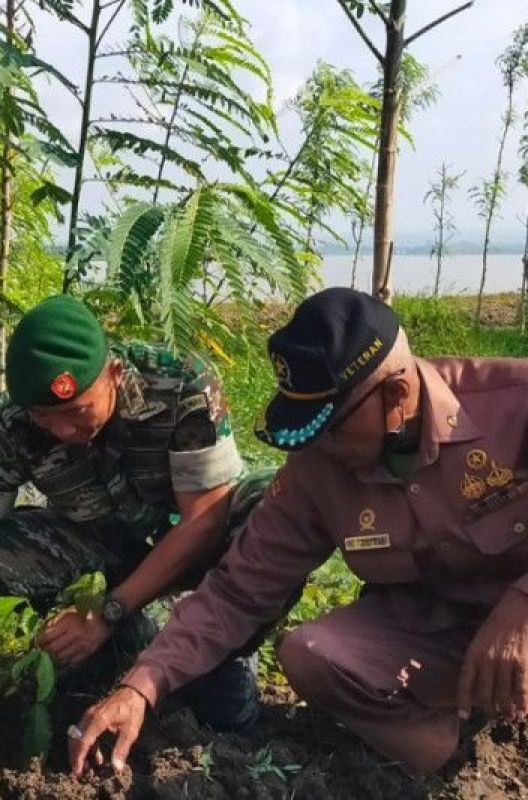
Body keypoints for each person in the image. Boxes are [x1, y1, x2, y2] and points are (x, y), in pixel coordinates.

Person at [70, 287, 528, 777]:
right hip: (433, 630)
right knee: (311, 655)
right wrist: (141, 686)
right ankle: (457, 760)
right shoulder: (319, 466)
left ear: (395, 396)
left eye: (332, 428)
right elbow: (237, 590)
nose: (321, 447)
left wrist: (522, 604)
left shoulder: (511, 406)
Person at [0, 294, 277, 770]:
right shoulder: (16, 425)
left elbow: (204, 521)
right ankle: (121, 643)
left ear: (112, 373)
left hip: (196, 561)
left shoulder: (180, 382)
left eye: (77, 412)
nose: (63, 430)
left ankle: (219, 647)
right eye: (46, 419)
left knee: (268, 508)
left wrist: (107, 611)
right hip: (105, 552)